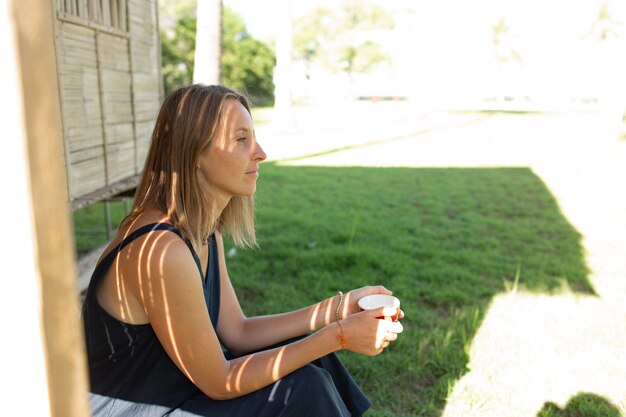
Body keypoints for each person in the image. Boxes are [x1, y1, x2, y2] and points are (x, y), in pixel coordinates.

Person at [82, 84, 404, 417]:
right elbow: (219, 381)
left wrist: (338, 309)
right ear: (194, 153)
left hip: (179, 392)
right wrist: (337, 336)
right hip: (139, 410)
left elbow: (238, 332)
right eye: (241, 139)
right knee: (304, 384)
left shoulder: (205, 232)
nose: (260, 152)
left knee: (309, 355)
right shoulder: (162, 249)